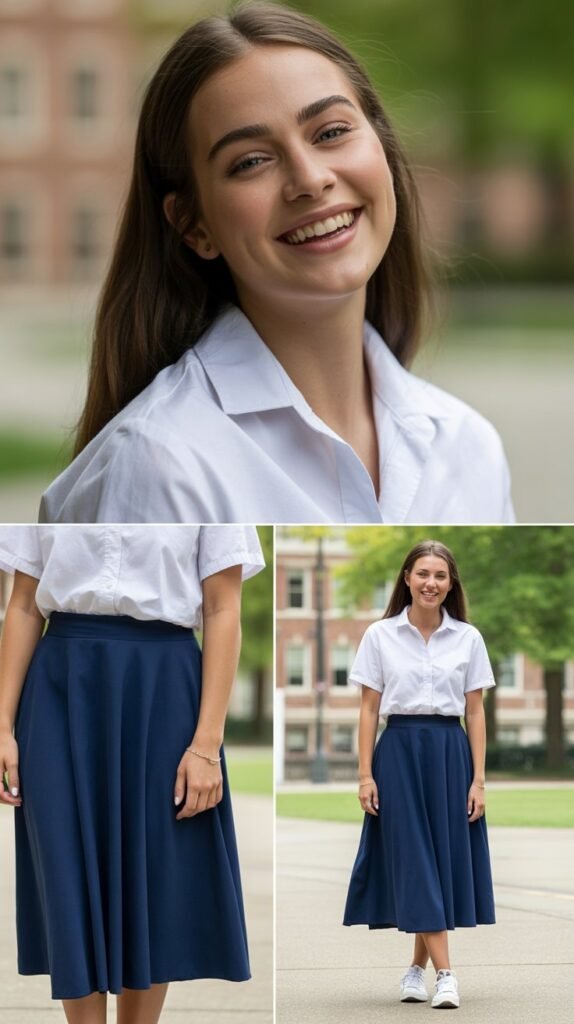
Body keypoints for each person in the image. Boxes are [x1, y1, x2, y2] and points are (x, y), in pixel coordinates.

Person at [39, 2, 513, 525]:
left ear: (381, 145)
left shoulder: (470, 448)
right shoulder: (157, 465)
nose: (310, 179)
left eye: (331, 132)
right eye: (250, 161)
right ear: (193, 225)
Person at [0, 524, 266, 1024]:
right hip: (61, 686)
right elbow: (22, 604)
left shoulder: (210, 489)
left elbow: (222, 608)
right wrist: (2, 726)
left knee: (152, 874)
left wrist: (207, 743)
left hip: (163, 687)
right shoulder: (53, 483)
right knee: (66, 869)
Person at [343, 539, 496, 1010]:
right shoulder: (379, 635)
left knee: (437, 863)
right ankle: (446, 974)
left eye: (441, 576)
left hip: (450, 754)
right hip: (399, 755)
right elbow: (369, 709)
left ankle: (415, 969)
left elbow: (475, 712)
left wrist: (478, 780)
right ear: (407, 578)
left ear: (451, 585)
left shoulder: (468, 638)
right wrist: (366, 775)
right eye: (423, 573)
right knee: (416, 861)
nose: (431, 583)